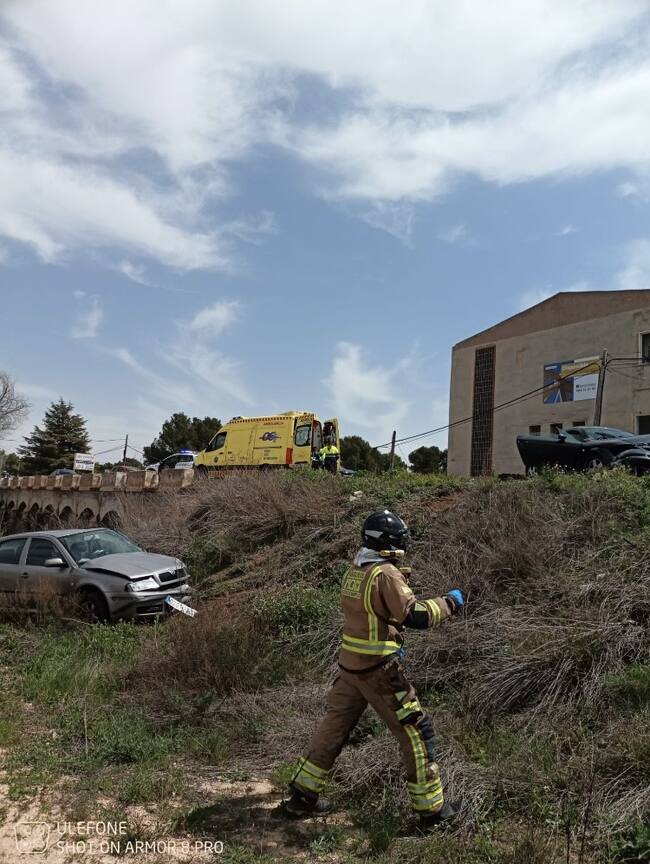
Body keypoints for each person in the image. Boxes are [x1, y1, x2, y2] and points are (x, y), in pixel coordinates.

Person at [284, 509, 465, 829]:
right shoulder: (385, 574)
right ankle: (433, 812)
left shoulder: (355, 570)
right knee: (416, 732)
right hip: (379, 671)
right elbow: (416, 616)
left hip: (350, 668)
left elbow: (370, 616)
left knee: (333, 729)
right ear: (388, 544)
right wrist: (450, 602)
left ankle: (302, 794)